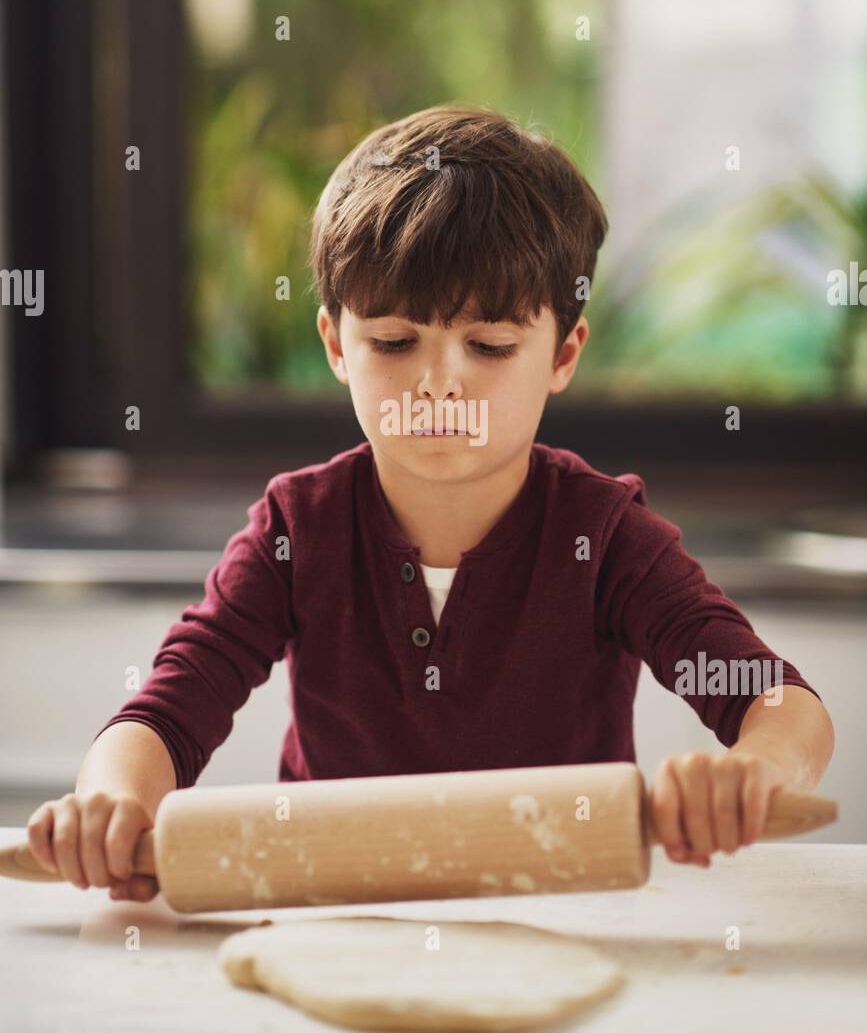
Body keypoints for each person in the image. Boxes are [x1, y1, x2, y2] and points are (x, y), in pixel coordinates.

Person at [27, 104, 834, 902]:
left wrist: (746, 777)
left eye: (487, 346)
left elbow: (783, 708)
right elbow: (169, 710)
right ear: (336, 346)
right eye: (393, 341)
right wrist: (113, 802)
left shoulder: (607, 537)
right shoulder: (296, 530)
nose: (437, 382)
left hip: (564, 926)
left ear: (562, 354)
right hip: (336, 929)